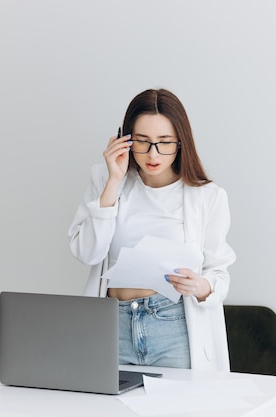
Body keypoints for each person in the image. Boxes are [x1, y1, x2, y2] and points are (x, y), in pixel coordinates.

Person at [67, 88, 236, 371]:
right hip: (112, 325)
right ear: (125, 140)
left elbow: (219, 271)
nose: (153, 154)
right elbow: (87, 253)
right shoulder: (104, 179)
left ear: (181, 142)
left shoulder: (208, 196)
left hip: (171, 326)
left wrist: (203, 287)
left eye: (164, 142)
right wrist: (114, 180)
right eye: (142, 142)